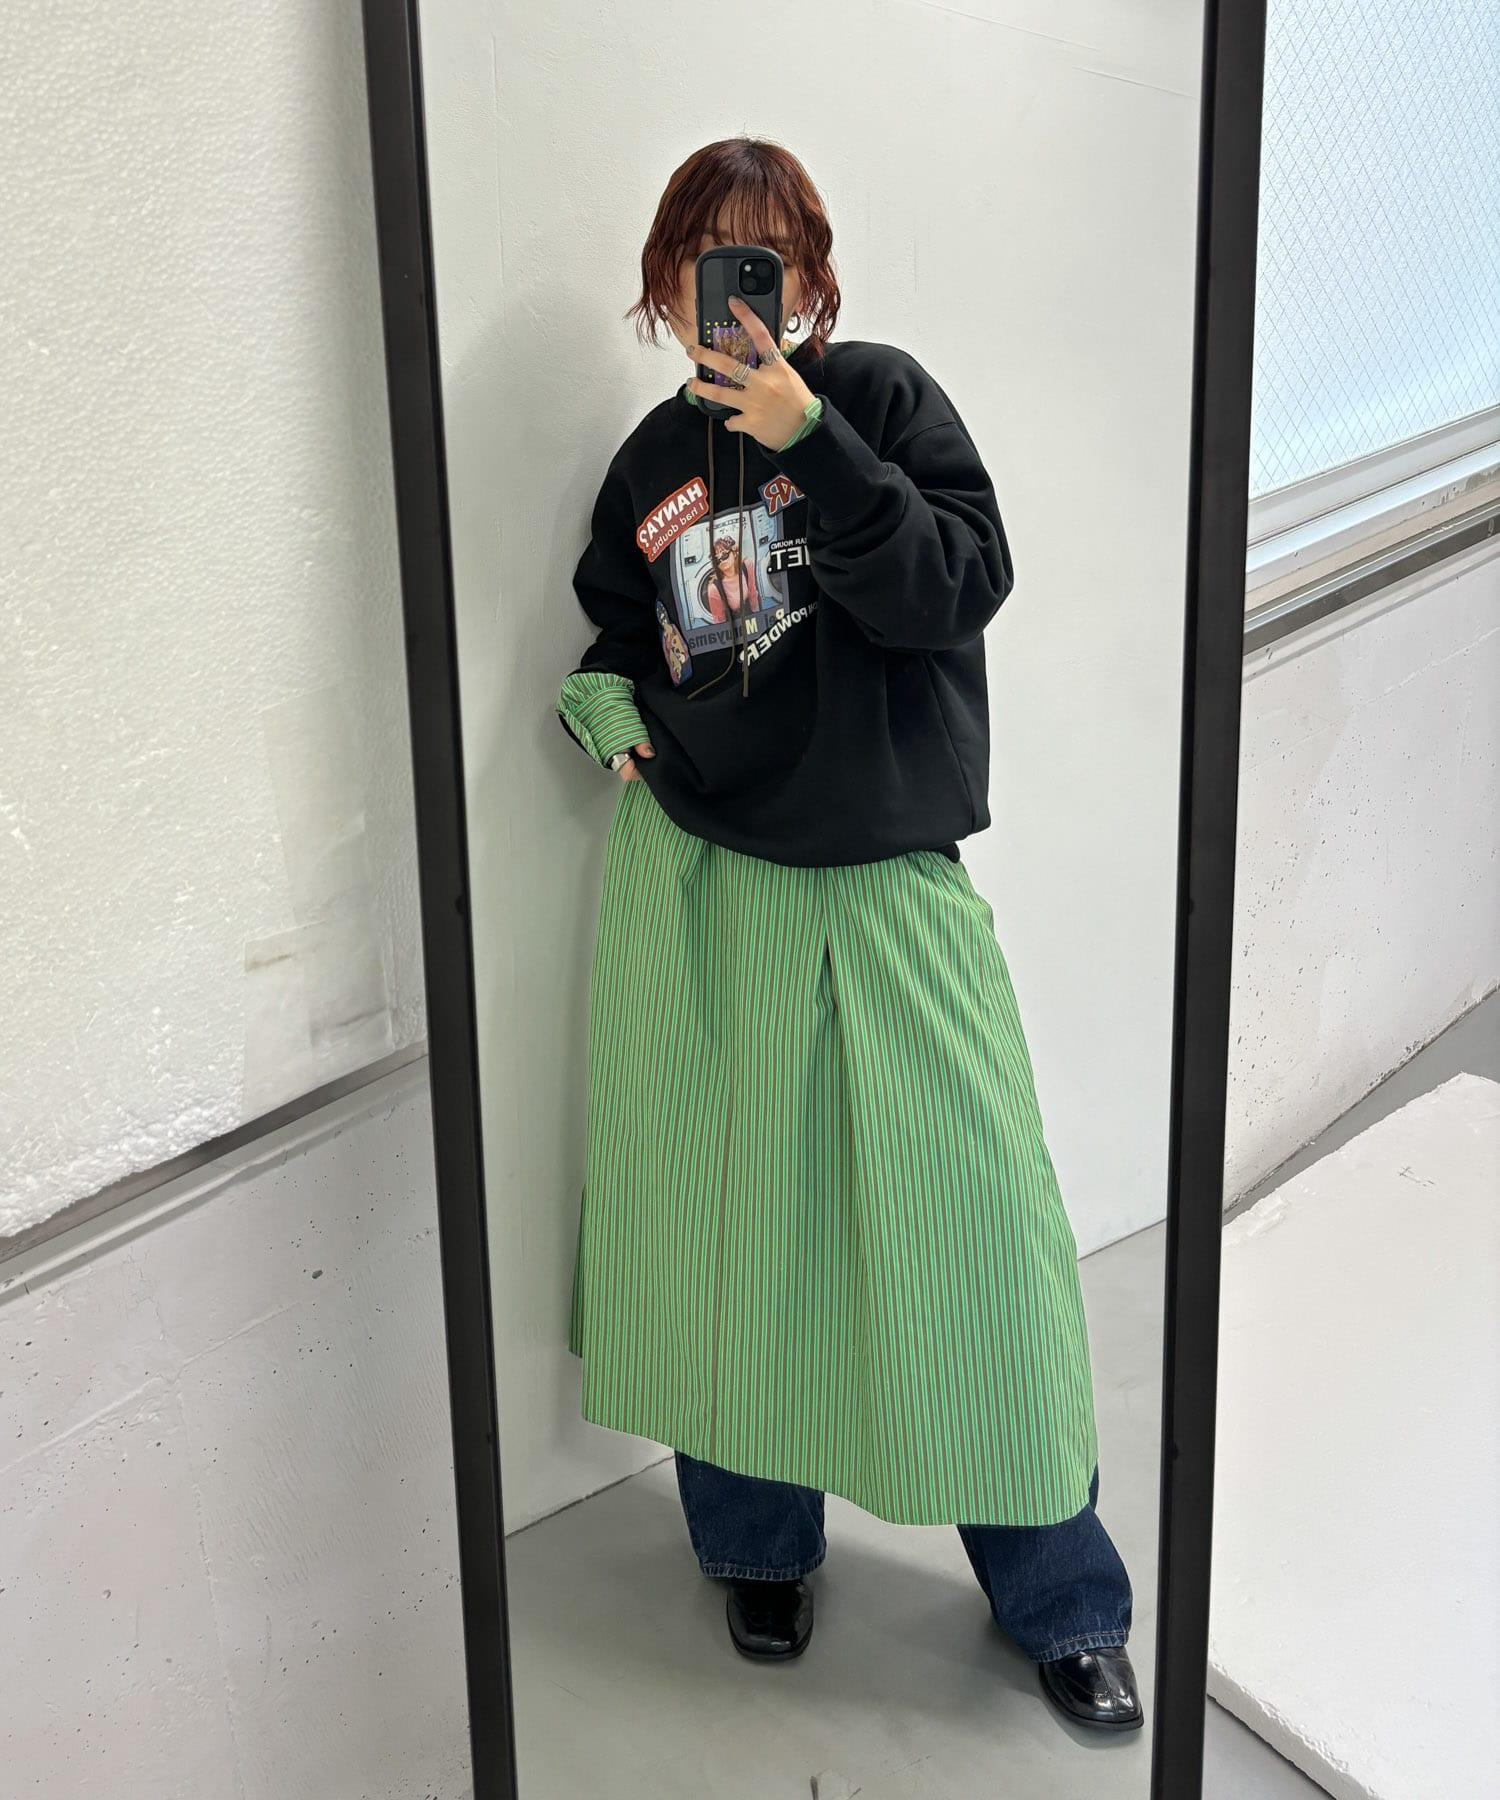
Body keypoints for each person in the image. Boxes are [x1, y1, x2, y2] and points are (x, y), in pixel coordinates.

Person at [554, 136, 1142, 1734]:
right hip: (705, 880)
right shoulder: (646, 466)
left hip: (886, 876)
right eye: (706, 258)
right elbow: (616, 628)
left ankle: (1063, 1597)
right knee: (729, 1234)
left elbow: (958, 585)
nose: (736, 288)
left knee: (982, 1238)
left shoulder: (877, 399)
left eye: (768, 257)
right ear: (666, 284)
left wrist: (812, 442)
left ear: (811, 279)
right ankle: (755, 1546)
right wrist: (606, 709)